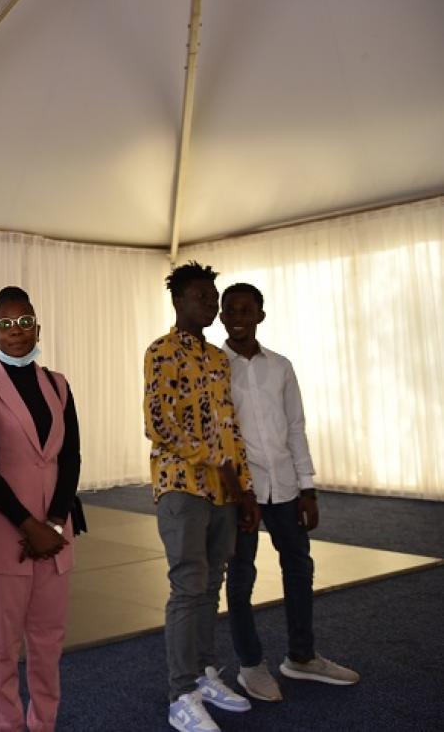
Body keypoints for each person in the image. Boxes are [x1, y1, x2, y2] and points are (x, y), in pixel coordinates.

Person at [219, 282, 359, 700]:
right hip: (242, 492)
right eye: (230, 310)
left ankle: (302, 656)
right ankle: (250, 665)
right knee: (240, 577)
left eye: (246, 310)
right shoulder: (214, 368)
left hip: (284, 487)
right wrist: (236, 491)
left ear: (260, 315)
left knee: (299, 567)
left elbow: (295, 427)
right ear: (221, 316)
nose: (238, 318)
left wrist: (307, 488)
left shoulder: (281, 366)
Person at [144, 261, 261, 732]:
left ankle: (204, 674)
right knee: (188, 587)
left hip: (222, 491)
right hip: (182, 486)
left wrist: (243, 488)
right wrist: (219, 463)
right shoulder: (162, 351)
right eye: (201, 298)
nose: (210, 306)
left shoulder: (216, 357)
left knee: (211, 585)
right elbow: (160, 423)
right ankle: (180, 694)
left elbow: (230, 426)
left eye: (213, 299)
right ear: (178, 301)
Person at [0, 286, 80, 732]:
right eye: (6, 324)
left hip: (54, 534)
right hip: (4, 533)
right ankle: (7, 726)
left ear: (38, 327)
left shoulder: (58, 384)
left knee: (49, 641)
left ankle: (43, 723)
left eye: (25, 322)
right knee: (1, 647)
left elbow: (70, 457)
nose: (16, 331)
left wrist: (53, 522)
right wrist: (28, 526)